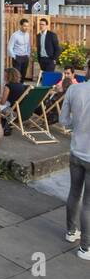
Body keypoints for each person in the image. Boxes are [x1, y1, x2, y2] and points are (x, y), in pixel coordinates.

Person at [58, 62, 90, 260]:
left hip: (77, 151)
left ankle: (71, 232)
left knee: (74, 193)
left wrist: (76, 126)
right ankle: (85, 248)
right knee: (89, 203)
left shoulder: (75, 89)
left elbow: (63, 121)